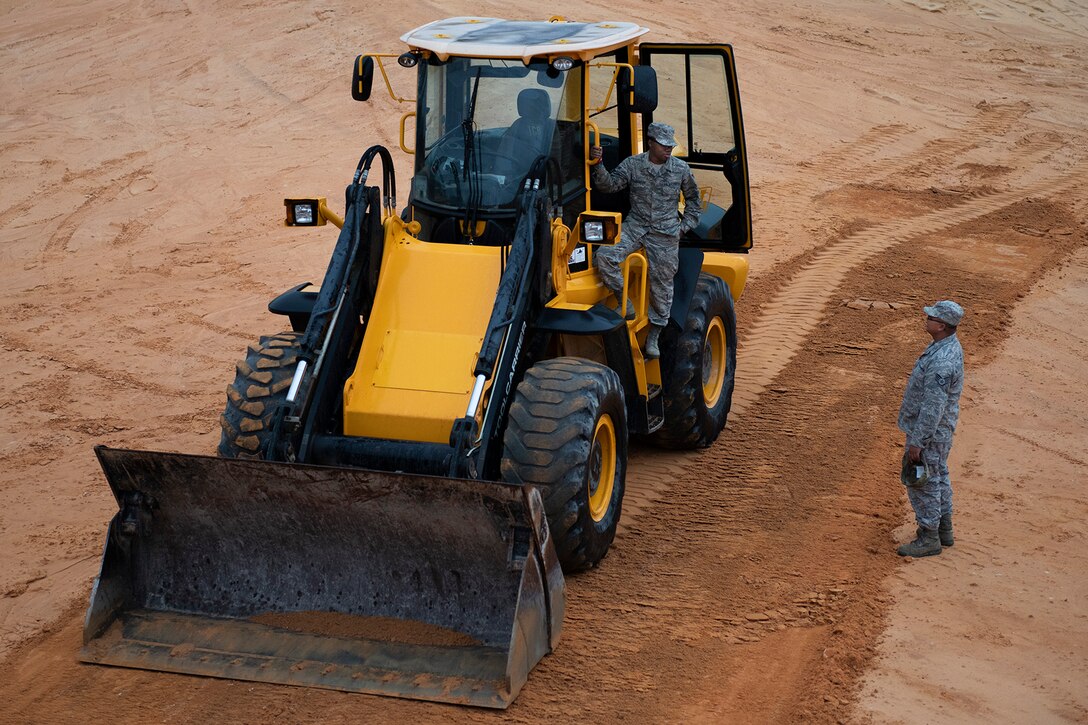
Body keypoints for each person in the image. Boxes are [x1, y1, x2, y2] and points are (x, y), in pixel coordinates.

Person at [589, 122, 701, 358]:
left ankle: (654, 336)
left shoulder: (680, 169)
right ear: (650, 142)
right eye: (663, 145)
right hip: (636, 226)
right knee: (605, 256)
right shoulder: (633, 164)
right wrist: (597, 164)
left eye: (671, 145)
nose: (668, 149)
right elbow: (607, 186)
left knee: (662, 285)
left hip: (666, 232)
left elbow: (694, 202)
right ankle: (624, 302)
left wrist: (684, 228)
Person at [896, 300, 965, 557]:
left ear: (941, 326)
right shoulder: (945, 346)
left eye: (931, 317)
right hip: (939, 430)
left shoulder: (942, 360)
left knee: (922, 481)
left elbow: (933, 406)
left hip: (930, 432)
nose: (926, 319)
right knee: (939, 476)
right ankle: (943, 530)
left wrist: (919, 441)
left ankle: (929, 537)